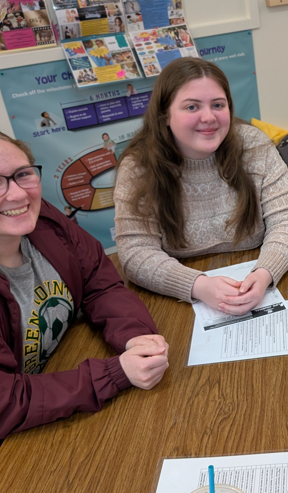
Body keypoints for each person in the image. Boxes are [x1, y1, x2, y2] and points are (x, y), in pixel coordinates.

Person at [0, 132, 170, 440]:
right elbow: (5, 400)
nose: (17, 195)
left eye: (23, 175)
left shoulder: (44, 220)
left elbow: (98, 281)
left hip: (57, 394)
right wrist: (114, 374)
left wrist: (134, 336)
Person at [114, 57, 288, 315]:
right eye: (192, 107)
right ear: (165, 116)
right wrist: (198, 285)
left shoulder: (255, 146)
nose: (209, 117)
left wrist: (264, 273)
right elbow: (135, 253)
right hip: (181, 299)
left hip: (259, 277)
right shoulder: (137, 167)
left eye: (218, 105)